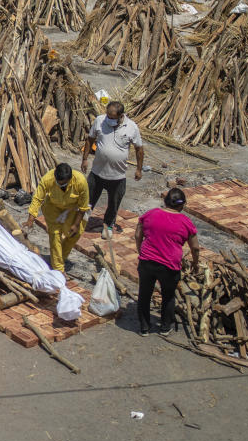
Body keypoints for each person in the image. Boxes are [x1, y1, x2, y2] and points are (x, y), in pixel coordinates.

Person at [135, 188, 200, 336]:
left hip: (147, 262)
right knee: (168, 296)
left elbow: (138, 235)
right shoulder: (185, 222)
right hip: (169, 266)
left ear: (165, 202)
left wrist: (140, 251)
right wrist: (195, 263)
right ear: (182, 205)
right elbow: (195, 248)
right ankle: (165, 328)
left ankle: (144, 328)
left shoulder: (150, 214)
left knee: (144, 294)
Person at [81, 100, 143, 238]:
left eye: (112, 117)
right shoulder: (100, 121)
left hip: (117, 176)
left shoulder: (131, 127)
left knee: (114, 203)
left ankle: (108, 225)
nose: (109, 119)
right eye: (108, 116)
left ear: (121, 116)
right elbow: (90, 139)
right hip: (97, 172)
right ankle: (82, 219)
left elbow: (139, 149)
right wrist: (85, 159)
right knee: (87, 199)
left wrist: (139, 169)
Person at [22, 163, 90, 274]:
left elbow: (83, 207)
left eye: (64, 184)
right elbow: (37, 198)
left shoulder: (81, 181)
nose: (61, 186)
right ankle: (58, 269)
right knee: (55, 235)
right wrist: (30, 219)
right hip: (53, 208)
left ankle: (60, 258)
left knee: (74, 234)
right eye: (59, 183)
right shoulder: (47, 179)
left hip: (72, 209)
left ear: (70, 179)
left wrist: (76, 224)